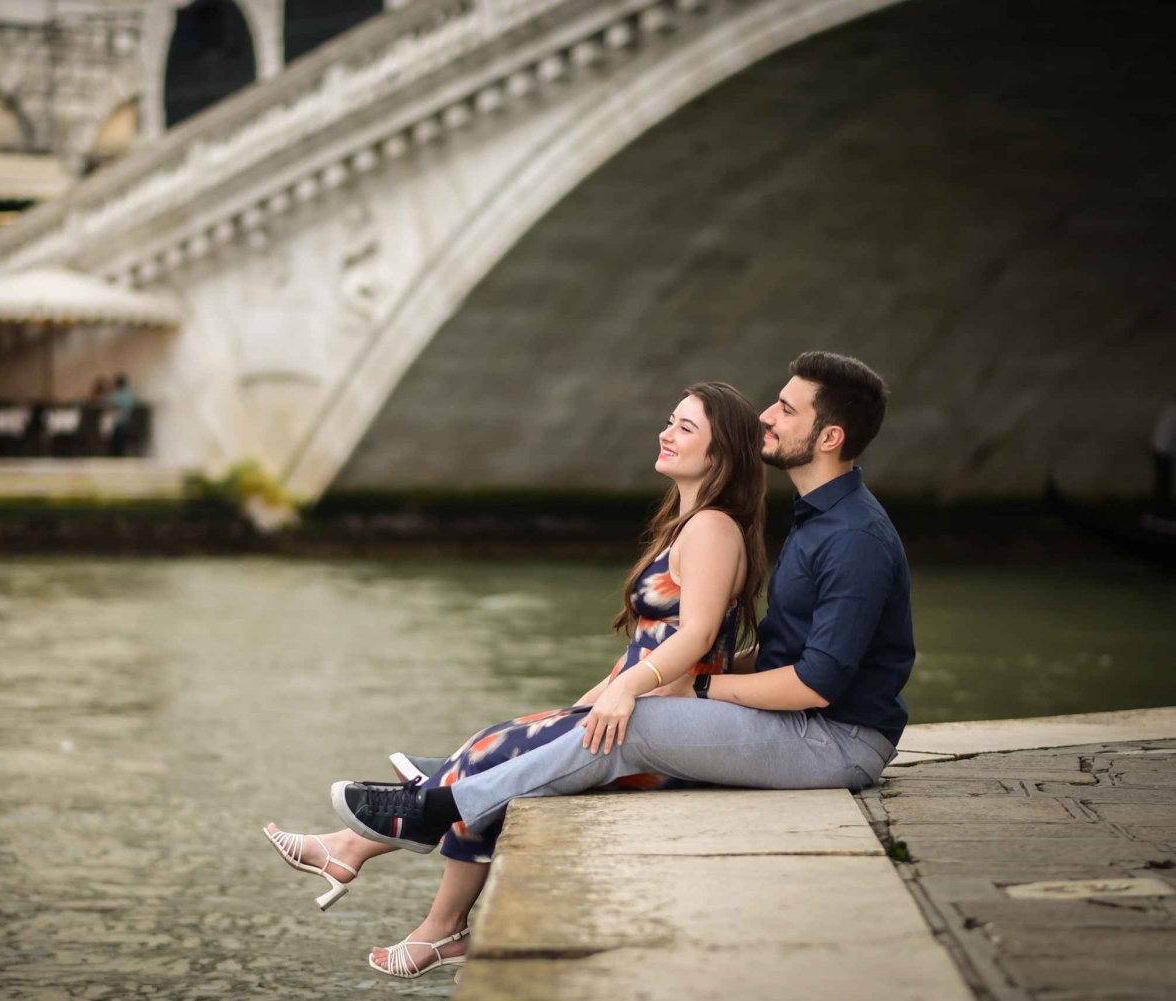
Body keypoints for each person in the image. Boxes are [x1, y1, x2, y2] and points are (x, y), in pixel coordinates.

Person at [265, 353, 912, 980]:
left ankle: (435, 807)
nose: (767, 414)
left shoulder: (852, 537)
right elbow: (778, 651)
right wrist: (675, 684)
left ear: (829, 436)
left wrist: (695, 684)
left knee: (631, 726)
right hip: (805, 726)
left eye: (787, 409)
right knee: (578, 725)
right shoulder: (817, 519)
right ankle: (427, 823)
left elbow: (815, 683)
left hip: (839, 742)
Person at [1150, 396, 1176, 521]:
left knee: (1163, 481)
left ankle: (1161, 511)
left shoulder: (1171, 407)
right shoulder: (1173, 410)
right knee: (1164, 481)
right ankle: (1161, 512)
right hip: (1163, 450)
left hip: (1160, 448)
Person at [103, 373, 136, 457]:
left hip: (120, 421)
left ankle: (112, 451)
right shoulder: (130, 393)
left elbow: (107, 401)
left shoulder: (118, 394)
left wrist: (108, 391)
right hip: (129, 420)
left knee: (107, 422)